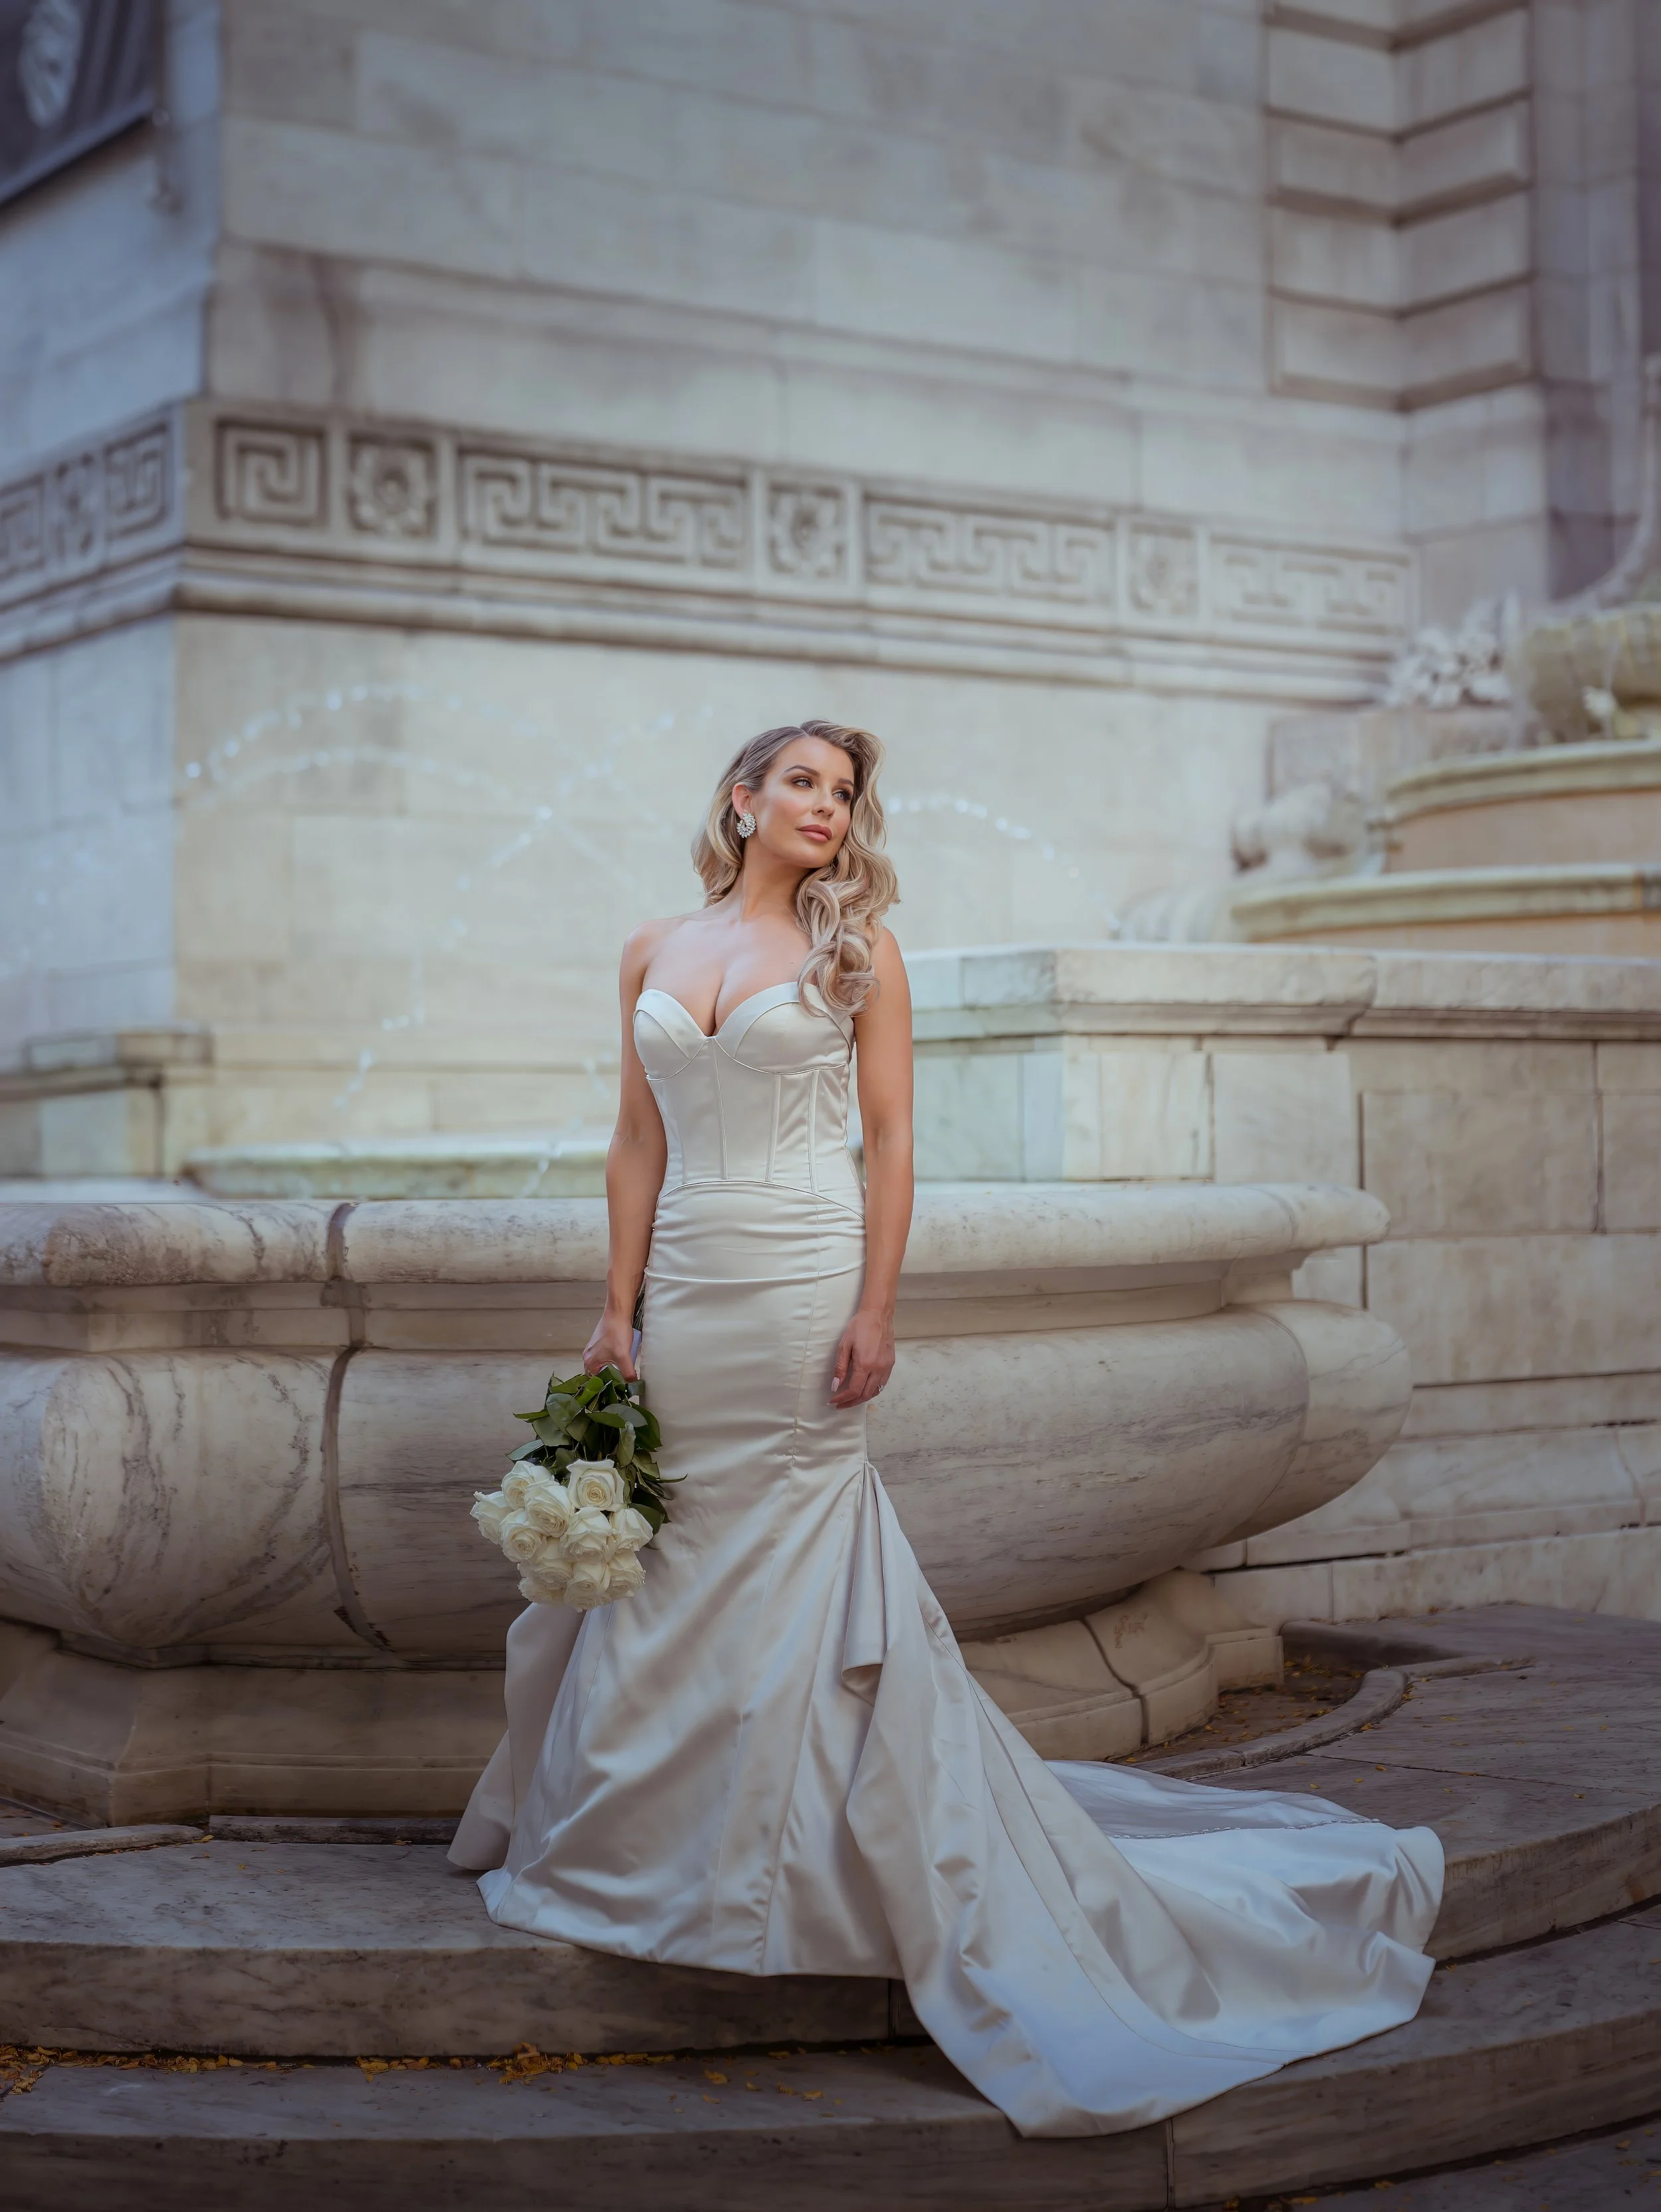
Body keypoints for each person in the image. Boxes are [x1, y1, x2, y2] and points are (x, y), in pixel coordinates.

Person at [450, 717, 1443, 2138]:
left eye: (843, 794)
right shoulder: (647, 951)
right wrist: (614, 1313)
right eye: (801, 783)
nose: (825, 808)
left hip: (799, 1278)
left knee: (785, 1554)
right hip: (686, 1284)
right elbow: (635, 1143)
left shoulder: (860, 954)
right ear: (740, 801)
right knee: (669, 1556)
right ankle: (640, 1848)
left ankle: (782, 1876)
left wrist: (875, 1309)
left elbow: (896, 1140)